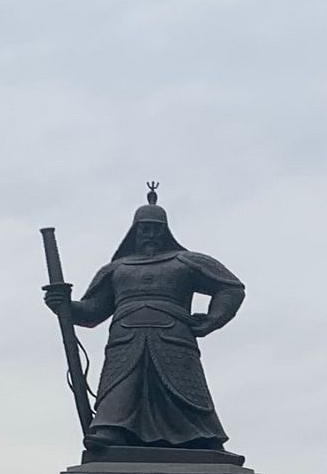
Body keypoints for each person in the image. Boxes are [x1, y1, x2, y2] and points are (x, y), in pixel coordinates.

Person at [43, 186, 245, 454]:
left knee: (184, 389)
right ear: (134, 231)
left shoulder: (186, 262)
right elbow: (93, 311)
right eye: (144, 229)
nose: (150, 234)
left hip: (173, 337)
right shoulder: (116, 269)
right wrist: (64, 305)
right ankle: (111, 430)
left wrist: (213, 319)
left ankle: (201, 437)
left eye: (156, 229)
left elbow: (230, 288)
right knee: (121, 385)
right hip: (126, 338)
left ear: (166, 231)